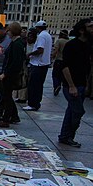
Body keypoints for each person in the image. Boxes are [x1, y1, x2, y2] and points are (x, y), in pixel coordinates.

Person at [58, 19, 92, 147]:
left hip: (81, 83)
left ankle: (65, 136)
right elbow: (65, 66)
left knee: (72, 111)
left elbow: (87, 66)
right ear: (82, 30)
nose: (92, 29)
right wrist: (71, 85)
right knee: (78, 111)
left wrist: (87, 84)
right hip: (71, 85)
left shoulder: (88, 45)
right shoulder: (71, 45)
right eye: (90, 27)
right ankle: (67, 136)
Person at [0, 22, 26, 128]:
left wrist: (5, 73)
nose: (7, 33)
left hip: (11, 75)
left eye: (8, 31)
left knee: (6, 96)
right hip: (10, 74)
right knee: (7, 96)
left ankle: (6, 119)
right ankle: (14, 116)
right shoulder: (16, 42)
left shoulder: (17, 44)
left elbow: (15, 62)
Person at [23, 20, 53, 111]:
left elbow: (40, 50)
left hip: (38, 64)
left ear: (38, 28)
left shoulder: (41, 36)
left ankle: (32, 103)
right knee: (39, 85)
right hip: (44, 63)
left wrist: (30, 54)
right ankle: (36, 103)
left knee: (33, 85)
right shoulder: (48, 35)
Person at [13, 28, 37, 103]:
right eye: (28, 36)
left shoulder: (36, 45)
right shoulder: (24, 43)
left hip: (32, 64)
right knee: (23, 80)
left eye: (31, 37)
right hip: (25, 65)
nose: (30, 38)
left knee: (28, 82)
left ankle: (25, 97)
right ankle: (21, 97)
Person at [51, 30, 69, 96]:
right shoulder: (69, 41)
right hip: (66, 61)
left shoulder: (59, 41)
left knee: (55, 75)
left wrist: (52, 57)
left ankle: (57, 86)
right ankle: (60, 84)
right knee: (62, 75)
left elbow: (56, 50)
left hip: (59, 60)